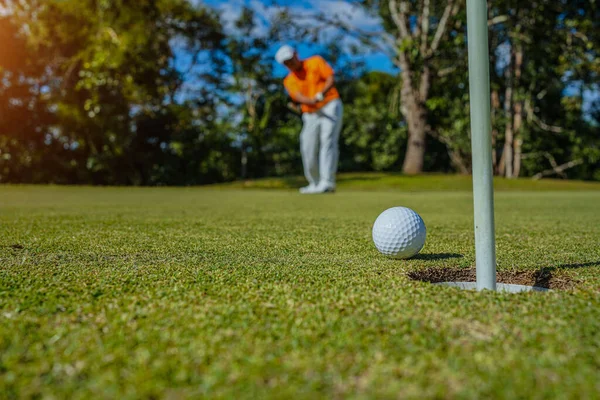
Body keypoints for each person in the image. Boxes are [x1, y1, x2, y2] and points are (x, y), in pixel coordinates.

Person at [275, 45, 343, 194]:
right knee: (307, 146)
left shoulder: (315, 62)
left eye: (290, 59)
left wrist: (321, 94)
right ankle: (314, 182)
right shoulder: (289, 80)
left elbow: (330, 78)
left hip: (330, 105)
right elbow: (298, 97)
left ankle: (327, 183)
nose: (289, 64)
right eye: (285, 63)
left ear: (295, 54)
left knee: (328, 141)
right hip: (310, 113)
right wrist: (312, 100)